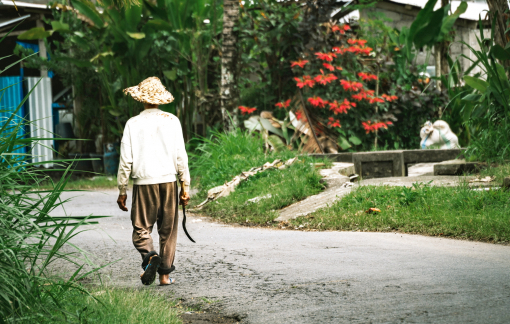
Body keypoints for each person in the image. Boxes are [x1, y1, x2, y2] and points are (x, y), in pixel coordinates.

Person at [116, 77, 190, 286]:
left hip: (143, 184)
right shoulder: (172, 120)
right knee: (168, 230)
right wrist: (185, 186)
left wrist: (122, 190)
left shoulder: (133, 124)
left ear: (141, 99)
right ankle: (165, 276)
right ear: (161, 99)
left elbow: (125, 161)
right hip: (169, 182)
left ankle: (150, 256)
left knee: (141, 228)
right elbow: (181, 157)